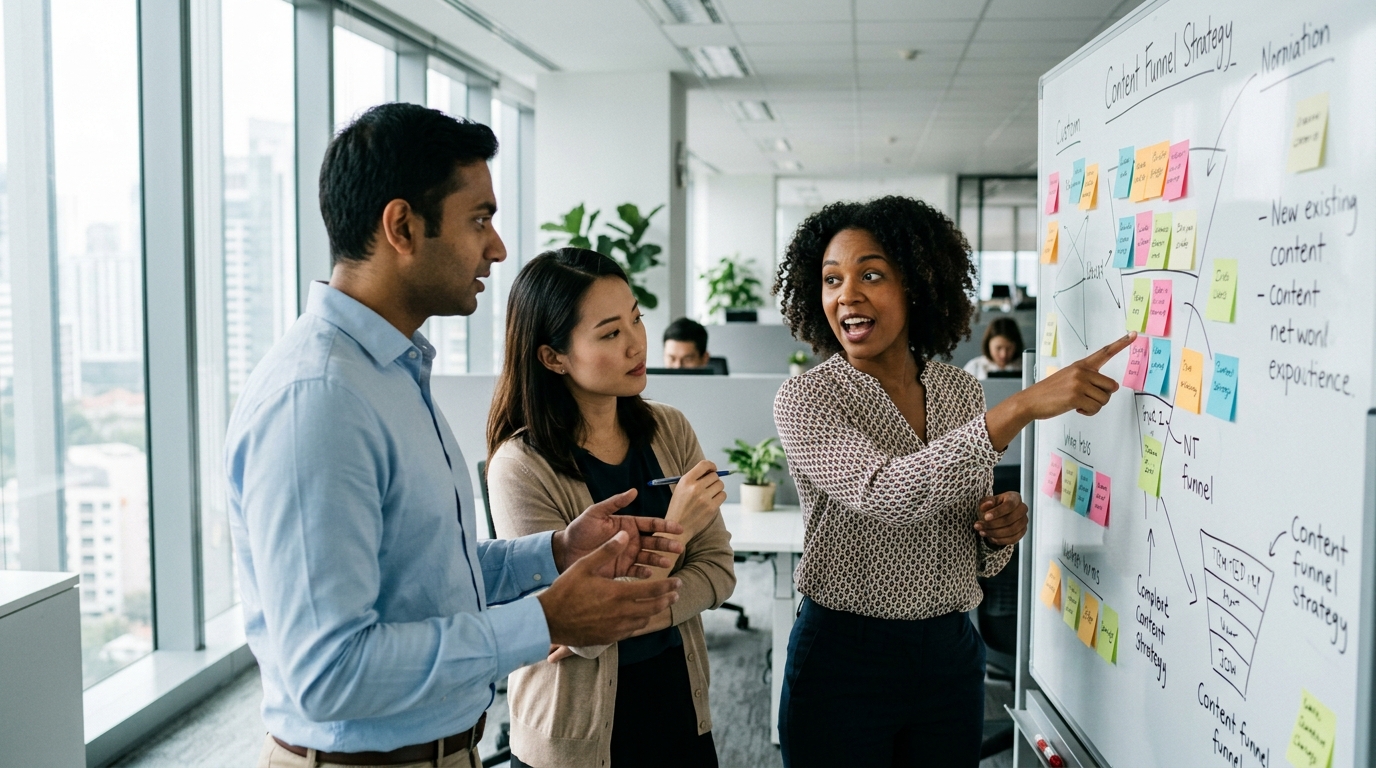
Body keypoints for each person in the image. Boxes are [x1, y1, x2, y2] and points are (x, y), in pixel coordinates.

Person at [226, 104, 686, 768]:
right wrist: (546, 621)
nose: (497, 247)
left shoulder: (389, 374)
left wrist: (555, 551)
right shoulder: (321, 399)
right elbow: (327, 672)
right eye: (480, 220)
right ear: (403, 227)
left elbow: (422, 577)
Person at [770, 196, 1134, 767]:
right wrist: (1018, 410)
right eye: (831, 279)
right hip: (845, 658)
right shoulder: (810, 396)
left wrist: (997, 531)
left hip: (949, 654)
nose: (847, 295)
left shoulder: (959, 391)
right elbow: (884, 492)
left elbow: (975, 554)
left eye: (871, 274)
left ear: (916, 285)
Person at [486, 248, 736, 768]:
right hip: (572, 731)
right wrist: (677, 531)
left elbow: (719, 573)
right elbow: (571, 627)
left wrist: (604, 617)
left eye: (637, 319)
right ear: (553, 357)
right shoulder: (520, 465)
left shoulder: (670, 428)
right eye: (609, 333)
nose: (637, 343)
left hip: (678, 707)